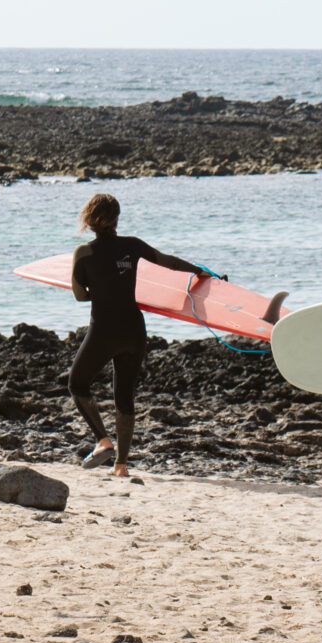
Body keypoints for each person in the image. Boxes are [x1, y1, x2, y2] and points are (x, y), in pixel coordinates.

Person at [65, 192, 219, 478]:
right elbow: (168, 261)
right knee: (124, 396)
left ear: (89, 219)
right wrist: (199, 272)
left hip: (104, 331)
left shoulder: (83, 253)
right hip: (134, 331)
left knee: (77, 384)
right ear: (116, 219)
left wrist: (101, 290)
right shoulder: (133, 245)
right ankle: (121, 466)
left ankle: (103, 441)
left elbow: (79, 295)